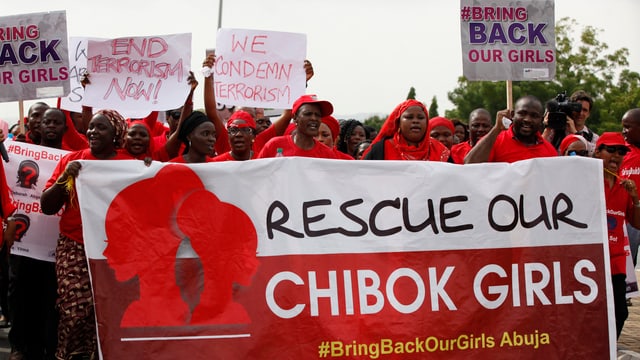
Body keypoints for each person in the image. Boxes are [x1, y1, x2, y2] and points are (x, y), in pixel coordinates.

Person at [40, 109, 133, 360]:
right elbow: (47, 207)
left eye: (101, 128)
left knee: (107, 310)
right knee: (75, 310)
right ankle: (67, 355)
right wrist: (65, 177)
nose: (92, 132)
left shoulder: (129, 165)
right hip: (74, 244)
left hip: (114, 250)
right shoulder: (74, 160)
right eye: (91, 126)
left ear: (116, 135)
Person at [8, 108, 67, 360]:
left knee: (49, 296)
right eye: (46, 122)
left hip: (55, 243)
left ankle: (47, 345)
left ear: (65, 128)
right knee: (20, 293)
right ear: (38, 126)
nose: (51, 126)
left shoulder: (73, 158)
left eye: (56, 122)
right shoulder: (17, 152)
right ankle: (19, 345)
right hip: (23, 242)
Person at [594, 132, 640, 338]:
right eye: (611, 150)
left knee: (620, 313)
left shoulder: (625, 186)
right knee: (592, 313)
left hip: (616, 261)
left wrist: (635, 199)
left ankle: (608, 351)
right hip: (590, 260)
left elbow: (636, 223)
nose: (616, 155)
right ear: (597, 152)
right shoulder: (586, 181)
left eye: (621, 151)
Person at [465, 96, 557, 163]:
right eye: (522, 113)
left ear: (541, 120)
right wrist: (496, 129)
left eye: (534, 116)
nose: (527, 119)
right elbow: (470, 164)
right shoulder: (495, 140)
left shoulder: (549, 151)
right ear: (512, 115)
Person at [362, 99, 449, 161]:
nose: (415, 121)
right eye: (409, 117)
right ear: (399, 122)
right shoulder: (381, 149)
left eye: (421, 118)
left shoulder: (439, 150)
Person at [257, 94, 336, 159]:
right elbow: (257, 174)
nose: (314, 118)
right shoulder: (274, 145)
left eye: (318, 115)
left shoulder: (327, 154)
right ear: (295, 118)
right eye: (308, 114)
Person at [621, 108, 640, 266]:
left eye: (628, 127)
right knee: (628, 265)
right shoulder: (621, 152)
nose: (623, 131)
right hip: (629, 219)